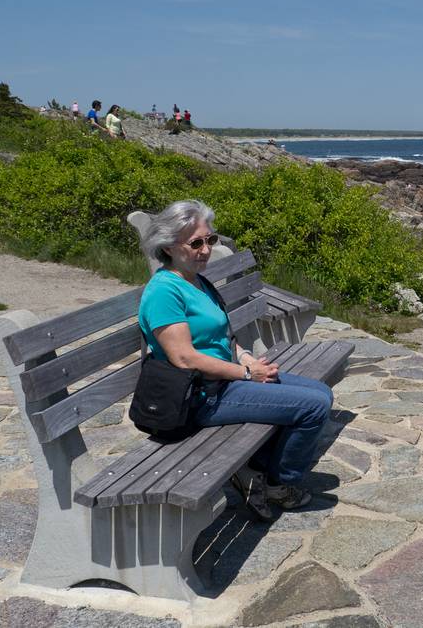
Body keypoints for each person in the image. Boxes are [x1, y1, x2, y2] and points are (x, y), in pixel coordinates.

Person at [137, 200, 330, 519]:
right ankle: (278, 483)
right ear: (169, 247)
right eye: (195, 243)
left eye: (209, 240)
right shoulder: (164, 292)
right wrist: (245, 374)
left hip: (226, 381)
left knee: (321, 393)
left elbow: (223, 336)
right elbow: (184, 358)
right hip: (200, 397)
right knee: (314, 407)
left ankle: (256, 468)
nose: (205, 250)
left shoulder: (197, 281)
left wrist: (248, 359)